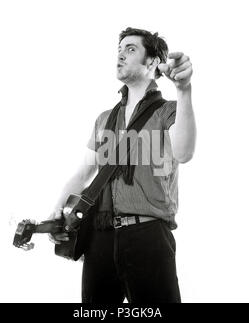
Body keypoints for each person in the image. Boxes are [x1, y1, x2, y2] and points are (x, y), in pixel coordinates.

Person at [49, 27, 196, 303]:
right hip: (100, 238)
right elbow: (83, 173)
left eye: (131, 49)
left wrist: (184, 91)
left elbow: (184, 152)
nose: (120, 55)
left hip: (149, 235)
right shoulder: (104, 119)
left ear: (152, 62)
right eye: (119, 50)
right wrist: (56, 212)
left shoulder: (169, 111)